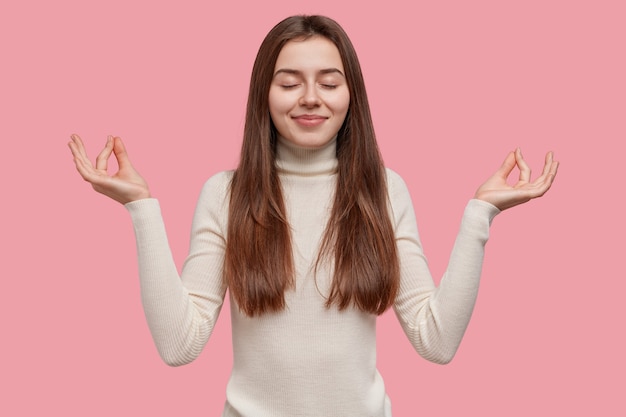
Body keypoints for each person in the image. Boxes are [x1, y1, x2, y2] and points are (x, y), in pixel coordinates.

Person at [68, 14, 558, 417]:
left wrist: (480, 215)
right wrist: (141, 208)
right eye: (289, 82)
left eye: (329, 82)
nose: (310, 97)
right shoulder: (226, 193)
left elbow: (437, 339)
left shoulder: (384, 191)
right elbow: (180, 344)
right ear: (265, 92)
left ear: (352, 96)